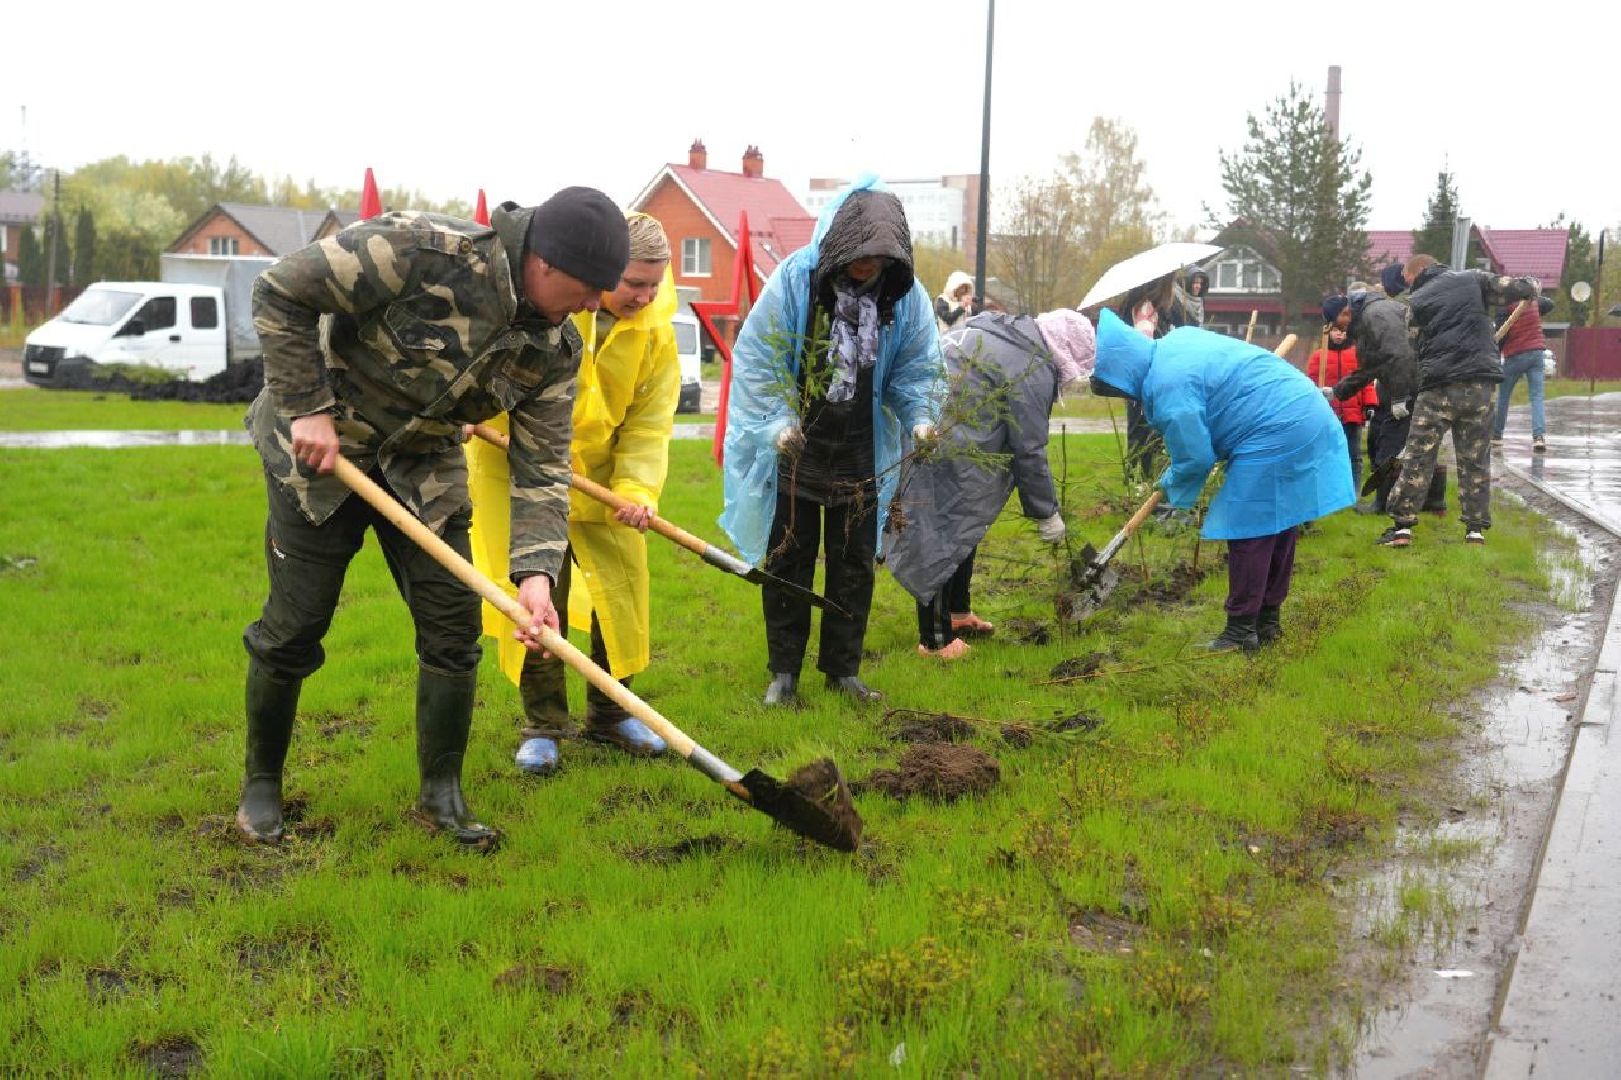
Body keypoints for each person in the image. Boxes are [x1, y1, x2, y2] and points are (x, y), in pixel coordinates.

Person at [237, 188, 630, 849]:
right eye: (589, 287)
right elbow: (280, 292)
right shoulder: (420, 251)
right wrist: (306, 407)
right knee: (296, 624)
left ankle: (440, 797)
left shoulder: (554, 351)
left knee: (453, 630)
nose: (596, 304)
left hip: (422, 467)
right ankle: (261, 788)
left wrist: (536, 574)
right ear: (544, 262)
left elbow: (542, 468)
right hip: (321, 452)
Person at [466, 213, 677, 776]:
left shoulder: (658, 332)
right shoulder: (554, 304)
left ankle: (611, 714)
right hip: (523, 465)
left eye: (655, 284)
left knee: (622, 593)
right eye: (634, 282)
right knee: (539, 598)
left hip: (603, 483)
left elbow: (649, 422)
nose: (645, 295)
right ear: (603, 270)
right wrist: (472, 412)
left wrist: (634, 488)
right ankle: (543, 725)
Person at [721, 174, 943, 706]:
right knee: (788, 557)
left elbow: (917, 367)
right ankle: (784, 674)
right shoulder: (797, 281)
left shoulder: (902, 297)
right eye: (861, 254)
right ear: (841, 243)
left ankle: (843, 670)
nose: (868, 266)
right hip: (797, 446)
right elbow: (760, 361)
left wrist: (920, 417)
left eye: (881, 257)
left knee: (853, 560)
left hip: (862, 448)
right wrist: (777, 425)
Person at [1090, 308, 1354, 651]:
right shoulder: (1177, 341)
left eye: (1121, 390)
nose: (1127, 397)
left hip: (1277, 427)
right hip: (1303, 409)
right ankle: (1267, 622)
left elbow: (1195, 457)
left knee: (1248, 524)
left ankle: (1241, 631)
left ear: (1126, 371)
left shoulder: (1169, 386)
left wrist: (1171, 482)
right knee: (1276, 522)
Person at [885, 308, 1097, 659]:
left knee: (963, 520)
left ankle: (957, 613)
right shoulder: (1031, 365)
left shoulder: (1005, 332)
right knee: (940, 528)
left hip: (936, 429)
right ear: (1065, 349)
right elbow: (1028, 449)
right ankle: (935, 641)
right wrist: (1047, 514)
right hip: (940, 439)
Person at [1378, 254, 1540, 548]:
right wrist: (1531, 285)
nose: (1407, 285)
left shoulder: (1414, 304)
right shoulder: (1472, 278)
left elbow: (1415, 346)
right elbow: (1512, 287)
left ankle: (1402, 527)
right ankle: (1475, 530)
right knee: (1475, 457)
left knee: (1419, 455)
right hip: (1480, 383)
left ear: (1420, 271)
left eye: (1408, 278)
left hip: (1438, 385)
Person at [1324, 270, 1447, 517]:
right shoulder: (1370, 317)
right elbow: (1370, 367)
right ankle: (1433, 500)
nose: (1341, 330)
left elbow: (1400, 354)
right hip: (1410, 382)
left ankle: (1384, 503)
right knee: (1409, 441)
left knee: (1389, 442)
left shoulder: (1376, 315)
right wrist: (1337, 392)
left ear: (1347, 312)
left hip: (1413, 384)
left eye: (1339, 324)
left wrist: (1400, 397)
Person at [1312, 298, 1378, 495]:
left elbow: (1365, 381)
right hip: (1329, 413)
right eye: (1335, 331)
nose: (1339, 335)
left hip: (1352, 414)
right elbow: (1311, 382)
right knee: (1328, 453)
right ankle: (1330, 491)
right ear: (1328, 330)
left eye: (1342, 331)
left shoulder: (1357, 353)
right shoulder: (1319, 356)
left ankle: (1354, 492)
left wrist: (1369, 404)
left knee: (1354, 454)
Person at [1493, 293, 1553, 453]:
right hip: (1536, 354)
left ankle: (1497, 436)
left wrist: (1495, 357)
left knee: (1504, 396)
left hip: (1516, 355)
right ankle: (1538, 437)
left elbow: (1500, 334)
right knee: (1537, 396)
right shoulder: (1532, 302)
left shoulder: (1505, 307)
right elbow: (1549, 303)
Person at [934, 271, 979, 337]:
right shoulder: (943, 300)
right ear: (954, 287)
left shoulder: (966, 301)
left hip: (964, 339)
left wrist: (973, 308)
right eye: (961, 287)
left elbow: (974, 321)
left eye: (965, 288)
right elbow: (948, 319)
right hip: (947, 340)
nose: (963, 290)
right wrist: (961, 308)